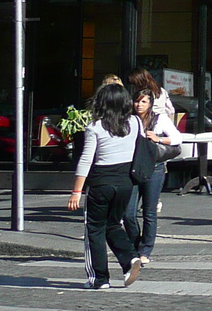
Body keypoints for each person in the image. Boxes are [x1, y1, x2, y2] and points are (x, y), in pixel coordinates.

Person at [67, 82, 144, 290]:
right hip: (125, 182)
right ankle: (130, 258)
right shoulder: (135, 122)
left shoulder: (95, 127)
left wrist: (76, 191)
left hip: (101, 182)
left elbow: (86, 160)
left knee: (94, 229)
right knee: (113, 224)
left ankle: (99, 278)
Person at [125, 86, 181, 267]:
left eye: (143, 101)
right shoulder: (128, 119)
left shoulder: (159, 119)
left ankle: (145, 250)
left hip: (154, 168)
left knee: (149, 212)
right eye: (137, 101)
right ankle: (135, 246)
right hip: (132, 169)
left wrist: (158, 139)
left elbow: (177, 138)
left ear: (150, 104)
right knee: (128, 214)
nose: (139, 105)